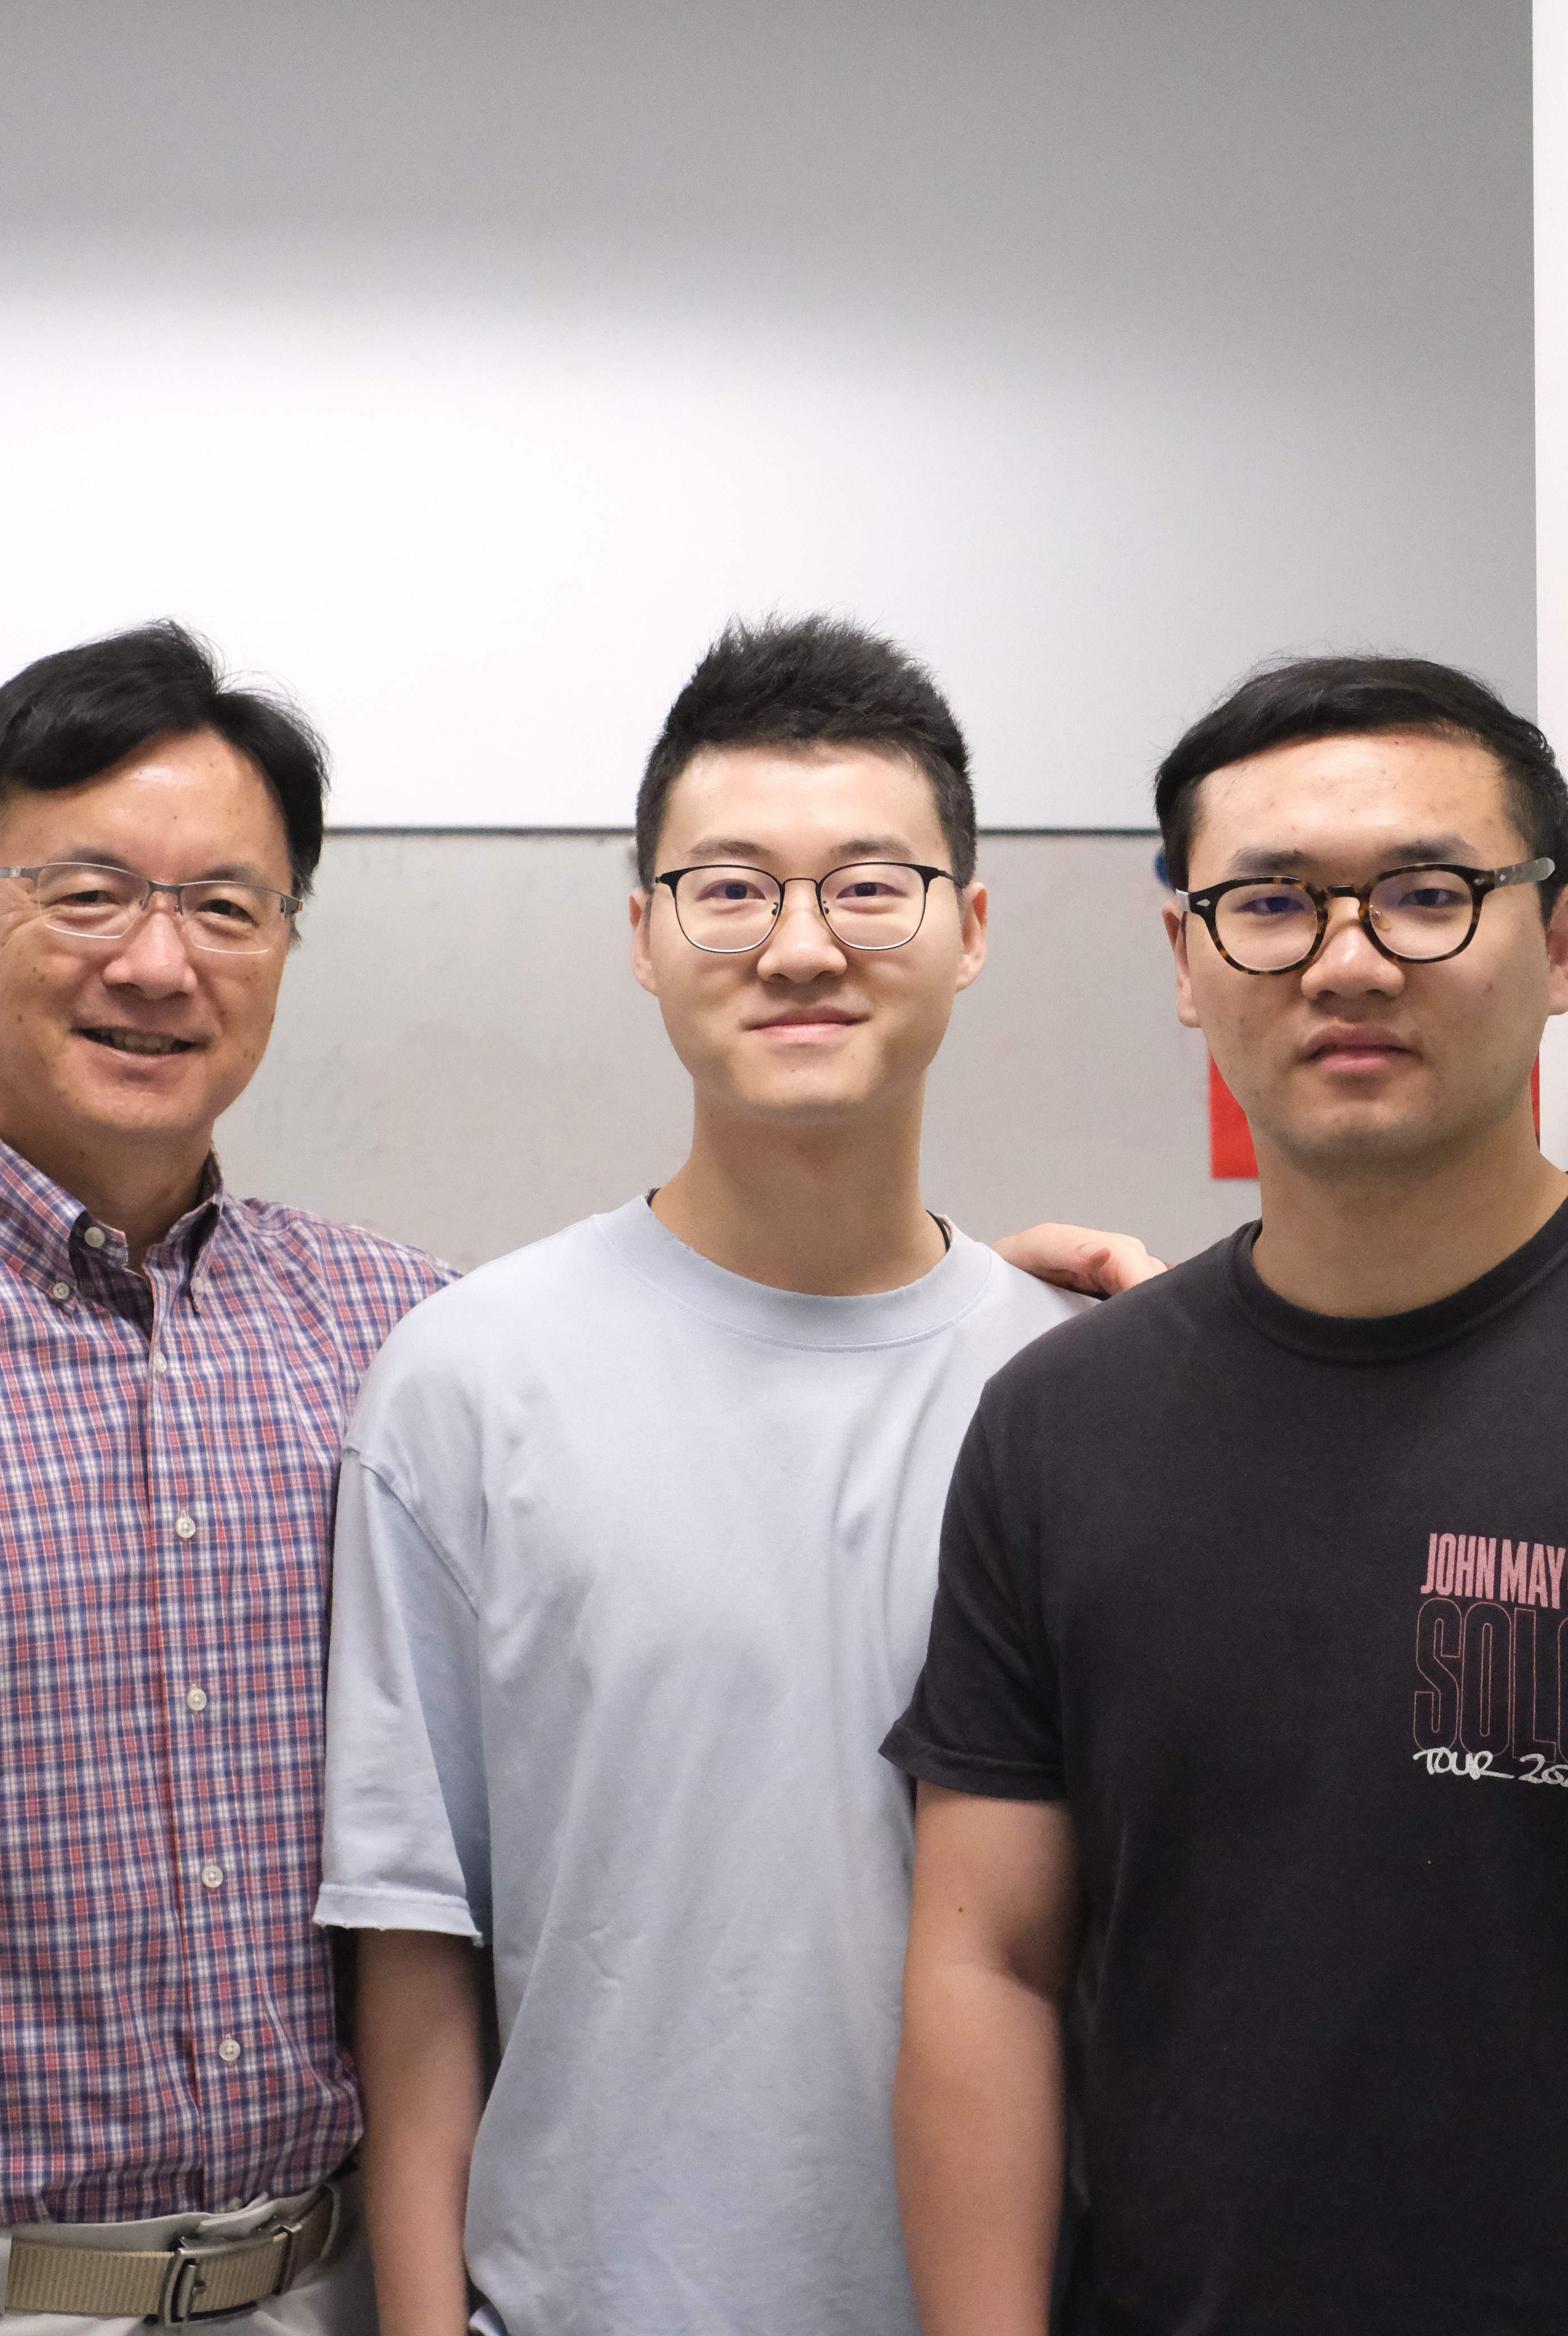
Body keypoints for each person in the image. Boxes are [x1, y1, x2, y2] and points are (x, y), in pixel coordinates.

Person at [0, 621, 1138, 2336]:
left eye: (227, 907)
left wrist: (1070, 1323)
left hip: (324, 2280)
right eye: (87, 894)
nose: (160, 963)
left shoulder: (391, 1325)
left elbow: (718, 1366)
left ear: (286, 945)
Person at [885, 657, 1568, 2335]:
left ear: (1564, 941)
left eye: (1426, 895)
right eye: (1269, 904)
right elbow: (985, 1961)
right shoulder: (1059, 1426)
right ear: (1187, 958)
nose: (1347, 960)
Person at [321, 616, 1136, 2336]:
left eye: (869, 887)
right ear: (642, 933)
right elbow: (414, 1946)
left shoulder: (1085, 1392)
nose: (799, 946)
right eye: (731, 887)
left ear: (970, 929)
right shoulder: (469, 1381)